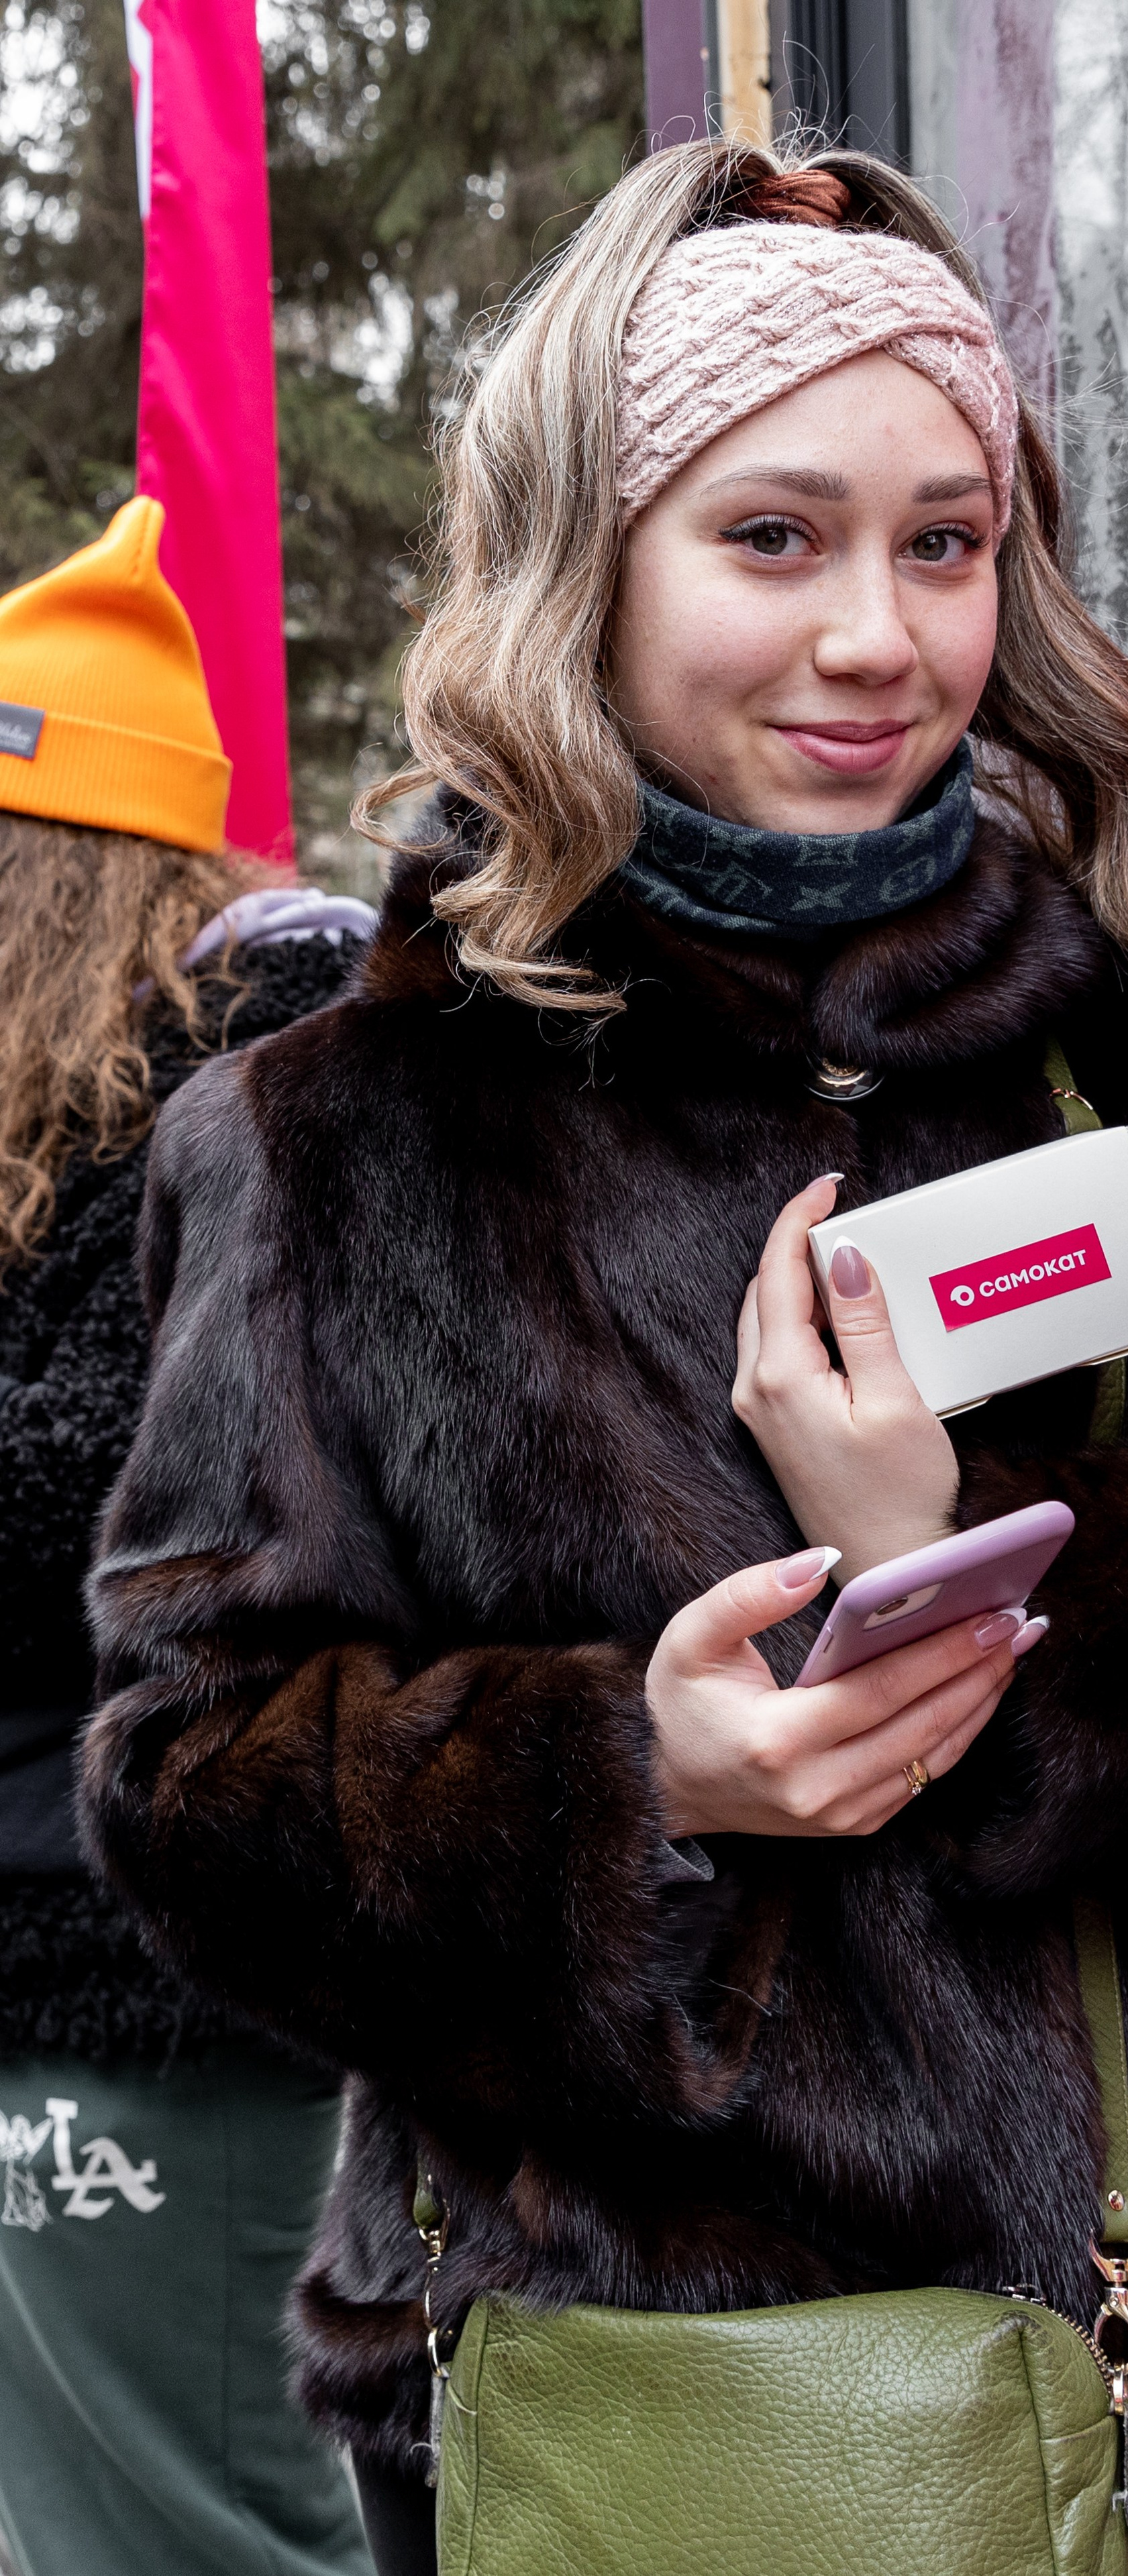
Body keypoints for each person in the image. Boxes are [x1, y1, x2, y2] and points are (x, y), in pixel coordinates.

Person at [79, 146, 1128, 2576]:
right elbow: (193, 1780)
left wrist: (997, 1596)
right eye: (774, 538)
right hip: (633, 2419)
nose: (879, 636)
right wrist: (634, 1779)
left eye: (947, 542)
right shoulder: (349, 1132)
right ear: (594, 563)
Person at [0, 498, 375, 2576]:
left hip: (149, 1974)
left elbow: (121, 1493)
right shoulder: (80, 1111)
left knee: (186, 2531)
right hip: (82, 1964)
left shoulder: (238, 1085)